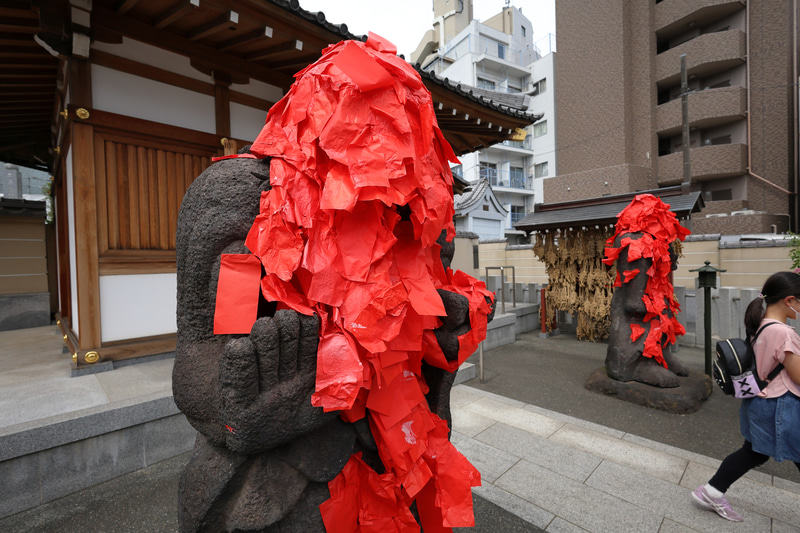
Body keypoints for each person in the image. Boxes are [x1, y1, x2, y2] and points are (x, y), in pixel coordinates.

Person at [692, 271, 800, 521]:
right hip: (780, 406)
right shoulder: (784, 333)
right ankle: (711, 491)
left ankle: (711, 491)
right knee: (761, 452)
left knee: (754, 451)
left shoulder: (760, 325)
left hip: (759, 402)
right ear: (789, 300)